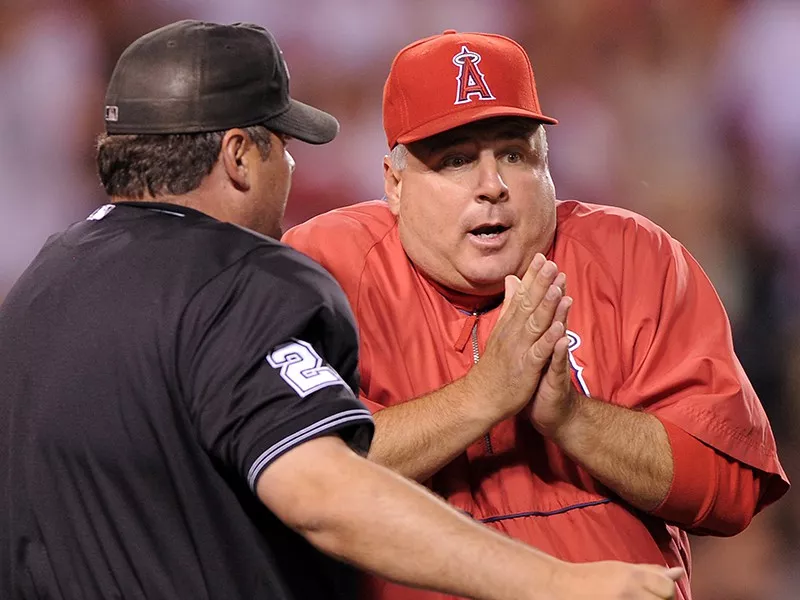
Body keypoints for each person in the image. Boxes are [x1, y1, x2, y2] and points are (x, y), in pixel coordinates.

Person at [0, 20, 689, 600]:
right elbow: (322, 493)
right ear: (240, 157)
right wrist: (556, 583)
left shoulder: (37, 290)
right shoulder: (236, 279)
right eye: (285, 146)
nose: (293, 171)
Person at [282, 29, 791, 600]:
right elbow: (303, 470)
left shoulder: (632, 256)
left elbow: (731, 489)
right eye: (454, 160)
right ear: (394, 186)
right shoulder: (328, 266)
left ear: (548, 165)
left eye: (514, 154)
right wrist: (483, 396)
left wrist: (573, 418)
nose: (492, 186)